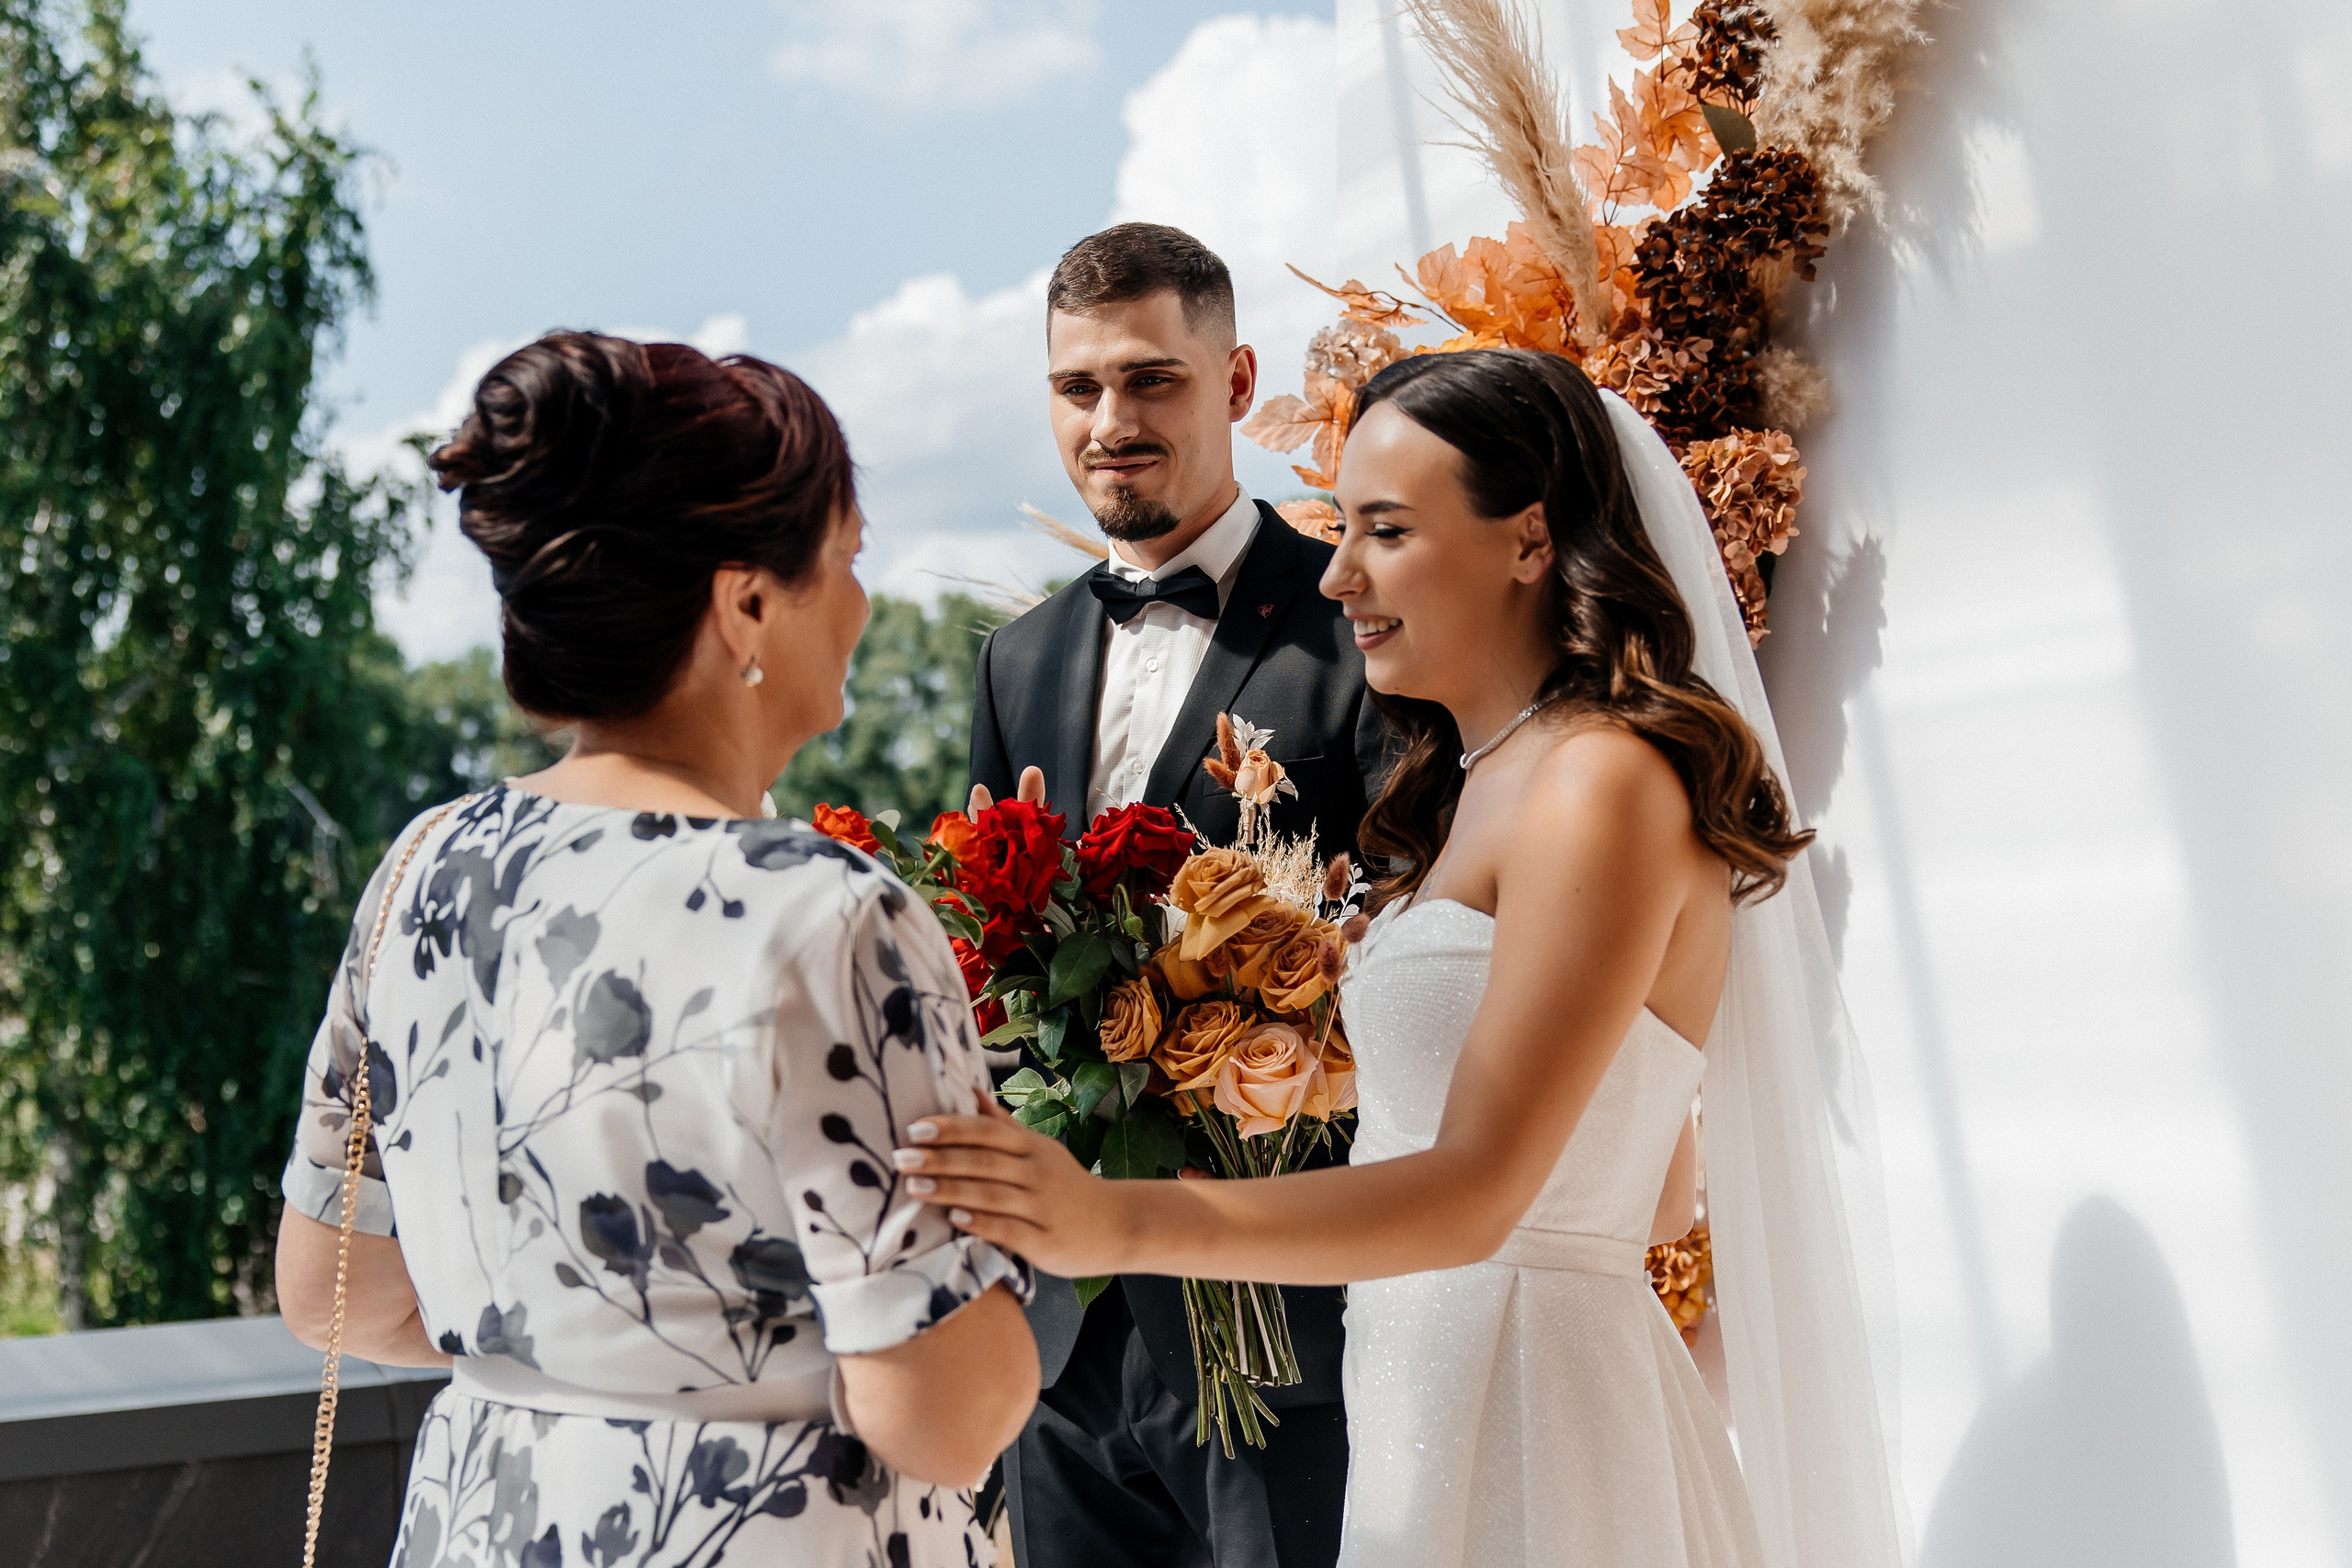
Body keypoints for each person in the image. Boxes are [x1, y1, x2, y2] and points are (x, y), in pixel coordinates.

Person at [905, 349, 1908, 1568]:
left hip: (1536, 1425)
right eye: (1342, 530)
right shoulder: (1489, 785)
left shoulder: (1595, 783)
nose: (1338, 574)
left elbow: (1481, 1192)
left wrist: (1118, 1220)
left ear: (1529, 540)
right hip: (1431, 1395)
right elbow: (1651, 1190)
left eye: (1385, 531)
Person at [274, 331, 1039, 1567]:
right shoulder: (827, 915)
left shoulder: (423, 868)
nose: (861, 604)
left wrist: (580, 1374)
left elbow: (336, 1295)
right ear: (746, 605)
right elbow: (947, 1413)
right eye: (847, 559)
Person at [967, 223, 1386, 1568]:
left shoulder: (1359, 631)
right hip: (1061, 1346)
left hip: (1280, 1322)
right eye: (1077, 387)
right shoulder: (1016, 661)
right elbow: (996, 976)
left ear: (1237, 381)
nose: (1111, 422)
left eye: (1152, 380)